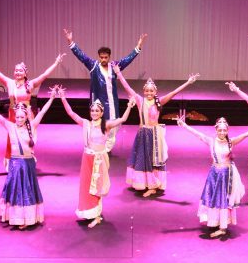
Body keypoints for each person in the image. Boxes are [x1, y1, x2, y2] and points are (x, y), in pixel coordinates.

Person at [0, 85, 58, 229]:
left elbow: (43, 111)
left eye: (21, 117)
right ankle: (14, 216)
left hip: (27, 164)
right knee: (14, 190)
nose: (19, 119)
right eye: (17, 117)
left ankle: (27, 217)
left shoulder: (32, 125)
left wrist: (51, 98)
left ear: (26, 117)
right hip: (15, 164)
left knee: (26, 190)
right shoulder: (9, 126)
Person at [114, 64, 199, 197]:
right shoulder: (139, 100)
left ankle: (153, 186)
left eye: (151, 91)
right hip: (142, 134)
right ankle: (144, 182)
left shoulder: (159, 102)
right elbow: (127, 87)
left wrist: (188, 82)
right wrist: (118, 73)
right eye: (146, 91)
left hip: (153, 135)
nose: (149, 93)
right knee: (141, 159)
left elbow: (173, 93)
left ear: (155, 92)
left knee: (153, 160)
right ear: (144, 91)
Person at [58, 87, 136, 228]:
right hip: (87, 158)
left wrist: (129, 106)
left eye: (97, 111)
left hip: (99, 159)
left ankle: (97, 216)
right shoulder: (86, 124)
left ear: (101, 112)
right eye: (92, 110)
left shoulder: (106, 124)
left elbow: (123, 119)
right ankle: (89, 212)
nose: (94, 113)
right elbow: (71, 113)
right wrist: (63, 98)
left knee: (97, 186)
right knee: (86, 186)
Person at [177, 116, 248, 238]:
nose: (222, 132)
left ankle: (223, 228)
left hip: (226, 176)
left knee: (223, 200)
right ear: (216, 130)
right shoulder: (211, 141)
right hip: (214, 174)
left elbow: (245, 135)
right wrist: (184, 125)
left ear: (227, 130)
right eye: (220, 130)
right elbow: (196, 134)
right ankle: (215, 221)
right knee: (213, 198)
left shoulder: (230, 142)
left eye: (224, 130)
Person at [0, 48, 66, 167]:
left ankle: (28, 156)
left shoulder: (31, 84)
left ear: (25, 73)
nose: (17, 72)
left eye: (20, 70)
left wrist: (56, 63)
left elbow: (45, 75)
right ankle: (11, 160)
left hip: (27, 114)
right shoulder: (9, 82)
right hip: (13, 113)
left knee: (27, 135)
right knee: (12, 136)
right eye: (16, 70)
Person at [63, 28, 147, 151]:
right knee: (97, 125)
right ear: (99, 57)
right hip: (98, 102)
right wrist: (71, 42)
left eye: (105, 57)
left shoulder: (114, 66)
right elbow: (81, 56)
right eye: (101, 57)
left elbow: (127, 59)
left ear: (109, 57)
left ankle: (106, 148)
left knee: (113, 126)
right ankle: (98, 146)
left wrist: (138, 46)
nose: (103, 59)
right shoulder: (93, 65)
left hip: (112, 102)